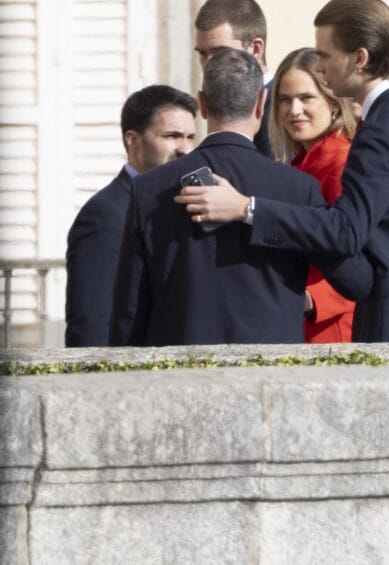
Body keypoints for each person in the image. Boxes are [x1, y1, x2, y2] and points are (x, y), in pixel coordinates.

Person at [175, 0, 389, 343]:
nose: (320, 67)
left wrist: (245, 208)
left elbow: (346, 231)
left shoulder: (382, 128)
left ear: (359, 58)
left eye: (324, 55)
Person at [109, 49, 370, 346]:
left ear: (203, 104)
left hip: (179, 373)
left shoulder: (149, 187)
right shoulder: (298, 187)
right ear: (261, 104)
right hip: (270, 372)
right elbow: (356, 280)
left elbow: (129, 311)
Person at [64, 85, 197, 347]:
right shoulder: (105, 213)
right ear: (132, 140)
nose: (185, 149)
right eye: (172, 136)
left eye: (190, 137)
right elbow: (92, 322)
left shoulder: (185, 202)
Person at [269, 47, 358, 343]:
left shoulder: (343, 161)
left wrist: (310, 300)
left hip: (332, 328)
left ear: (332, 101)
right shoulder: (297, 164)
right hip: (299, 323)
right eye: (285, 100)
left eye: (306, 98)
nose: (294, 110)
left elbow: (363, 255)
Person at [194, 0, 274, 157]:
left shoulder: (285, 107)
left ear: (256, 49)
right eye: (202, 53)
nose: (209, 64)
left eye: (219, 52)